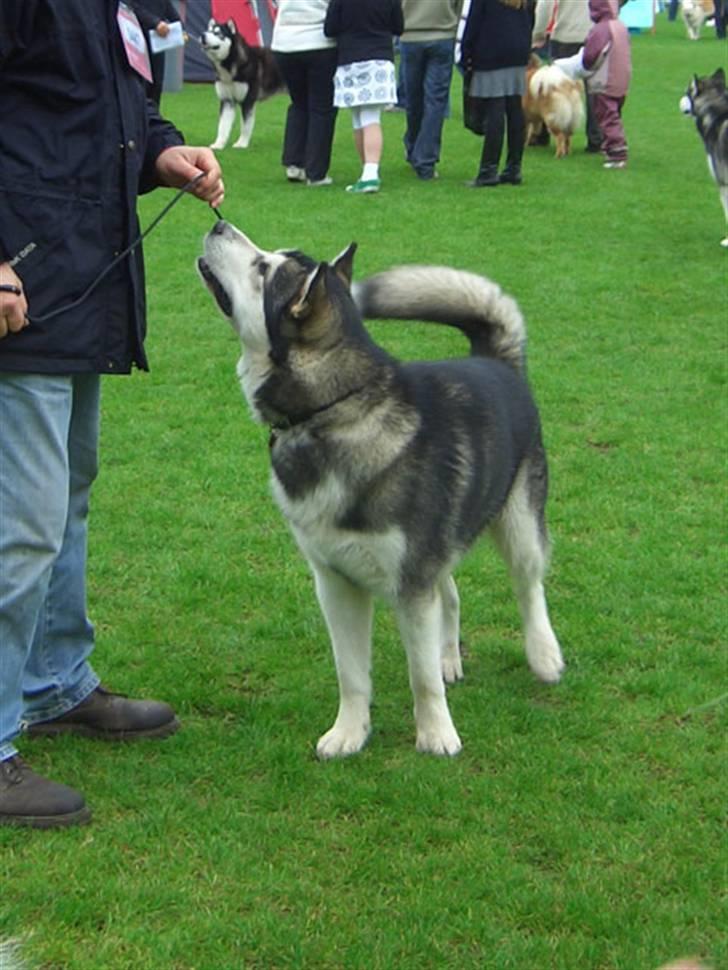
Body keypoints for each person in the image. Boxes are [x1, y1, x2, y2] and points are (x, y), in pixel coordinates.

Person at [0, 0, 224, 829]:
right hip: (18, 284)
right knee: (21, 520)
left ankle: (54, 682)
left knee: (67, 498)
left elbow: (110, 120)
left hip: (78, 282)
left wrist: (167, 153)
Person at [324, 0, 404, 194]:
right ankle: (369, 171)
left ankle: (368, 172)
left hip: (350, 58)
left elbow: (330, 28)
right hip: (379, 57)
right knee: (369, 117)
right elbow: (398, 27)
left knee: (359, 119)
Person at [460, 0, 532, 187]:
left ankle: (488, 170)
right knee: (515, 110)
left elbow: (474, 23)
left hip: (491, 51)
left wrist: (466, 52)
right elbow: (530, 19)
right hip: (518, 50)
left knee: (495, 111)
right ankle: (514, 168)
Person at [554, 0, 631, 169]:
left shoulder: (601, 29)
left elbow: (591, 57)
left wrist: (580, 67)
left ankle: (617, 152)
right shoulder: (620, 26)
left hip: (604, 80)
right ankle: (608, 146)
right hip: (621, 79)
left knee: (607, 116)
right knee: (614, 114)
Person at [271, 0, 339, 187]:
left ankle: (294, 163)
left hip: (284, 44)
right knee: (322, 108)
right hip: (319, 42)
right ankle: (316, 173)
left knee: (299, 103)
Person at [400, 0, 463, 182]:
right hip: (443, 34)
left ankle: (414, 149)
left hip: (410, 35)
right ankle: (425, 160)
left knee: (414, 98)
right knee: (435, 101)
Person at [532, 0, 602, 153]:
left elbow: (545, 4)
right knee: (594, 89)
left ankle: (543, 133)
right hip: (595, 35)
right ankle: (596, 138)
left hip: (565, 36)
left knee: (553, 88)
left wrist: (538, 33)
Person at [129, 0, 182, 106]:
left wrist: (180, 26)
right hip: (136, 39)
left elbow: (166, 6)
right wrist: (155, 22)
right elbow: (131, 7)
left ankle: (153, 117)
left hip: (157, 41)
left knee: (156, 83)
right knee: (140, 83)